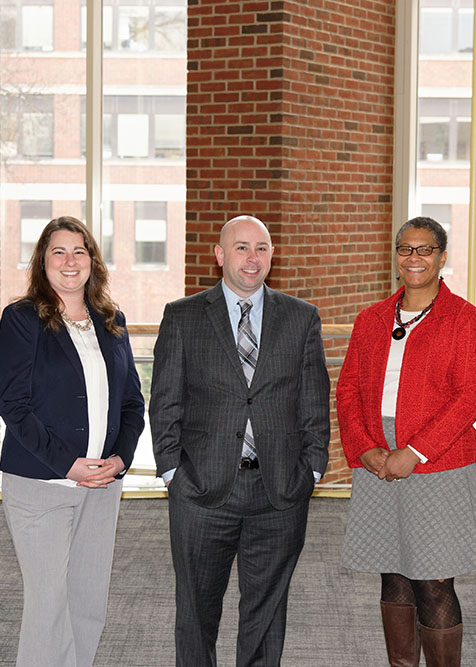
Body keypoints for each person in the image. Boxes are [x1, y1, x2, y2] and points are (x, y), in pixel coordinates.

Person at [150, 214, 331, 667]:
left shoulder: (301, 317)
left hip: (280, 491)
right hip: (201, 490)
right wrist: (173, 471)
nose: (253, 259)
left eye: (262, 248)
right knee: (196, 612)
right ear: (220, 255)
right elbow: (165, 401)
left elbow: (313, 399)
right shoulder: (183, 316)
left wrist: (311, 468)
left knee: (266, 615)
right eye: (242, 248)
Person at [336, 216, 476, 667]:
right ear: (396, 257)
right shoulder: (371, 320)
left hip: (436, 462)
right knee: (394, 573)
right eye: (406, 249)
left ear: (442, 258)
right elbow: (347, 390)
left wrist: (416, 452)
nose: (414, 258)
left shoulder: (465, 320)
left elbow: (470, 398)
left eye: (425, 250)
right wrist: (364, 447)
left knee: (433, 581)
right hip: (377, 459)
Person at [0, 216, 144, 667]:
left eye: (79, 251)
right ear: (42, 261)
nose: (70, 261)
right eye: (58, 251)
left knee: (87, 602)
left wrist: (120, 459)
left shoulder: (110, 319)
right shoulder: (22, 319)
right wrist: (69, 465)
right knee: (48, 606)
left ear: (92, 261)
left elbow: (133, 402)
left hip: (103, 485)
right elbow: (13, 404)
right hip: (42, 484)